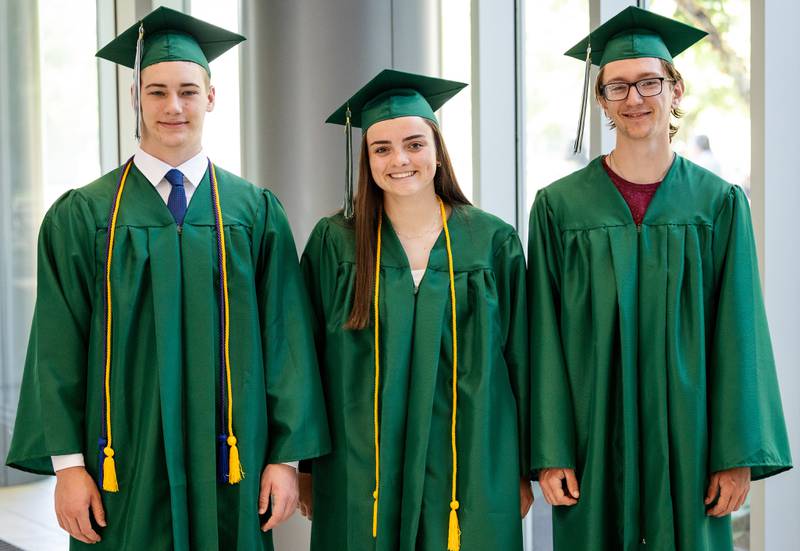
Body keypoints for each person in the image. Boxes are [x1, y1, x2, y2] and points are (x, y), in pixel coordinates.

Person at [5, 7, 329, 550]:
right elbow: (58, 347)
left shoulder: (254, 213)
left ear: (211, 97)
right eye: (156, 91)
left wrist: (285, 458)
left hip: (233, 455)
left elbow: (286, 340)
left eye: (187, 90)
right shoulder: (84, 216)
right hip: (123, 459)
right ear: (135, 98)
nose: (173, 106)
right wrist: (68, 468)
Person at [528, 6, 792, 550]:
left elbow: (740, 330)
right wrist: (550, 448)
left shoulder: (719, 204)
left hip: (690, 436)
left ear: (676, 89)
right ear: (600, 100)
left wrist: (735, 455)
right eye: (618, 86)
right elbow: (542, 335)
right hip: (591, 431)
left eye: (650, 81)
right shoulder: (558, 208)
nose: (634, 98)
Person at [298, 69, 532, 551]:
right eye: (381, 148)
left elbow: (523, 361)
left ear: (438, 151)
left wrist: (525, 466)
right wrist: (303, 465)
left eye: (414, 144)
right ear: (366, 158)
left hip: (470, 466)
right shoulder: (334, 242)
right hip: (359, 467)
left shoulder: (490, 242)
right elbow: (305, 361)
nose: (399, 159)